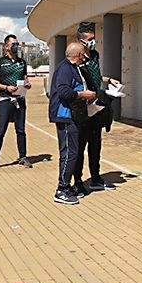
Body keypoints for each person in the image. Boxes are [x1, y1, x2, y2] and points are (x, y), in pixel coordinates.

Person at [72, 22, 122, 195]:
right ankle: (77, 182)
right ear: (81, 41)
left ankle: (95, 178)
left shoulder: (94, 55)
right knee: (79, 147)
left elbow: (96, 76)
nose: (93, 42)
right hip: (82, 109)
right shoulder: (76, 59)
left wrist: (109, 80)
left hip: (96, 108)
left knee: (96, 145)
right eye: (90, 39)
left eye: (94, 38)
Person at [49, 43, 96, 205]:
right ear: (77, 55)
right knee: (69, 152)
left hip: (75, 116)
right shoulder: (65, 69)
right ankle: (61, 189)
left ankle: (69, 186)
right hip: (65, 116)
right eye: (83, 54)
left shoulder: (75, 68)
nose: (85, 57)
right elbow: (63, 91)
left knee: (73, 152)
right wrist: (83, 94)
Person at [0, 35, 32, 169]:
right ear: (6, 46)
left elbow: (25, 79)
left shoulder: (22, 62)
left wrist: (27, 85)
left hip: (20, 99)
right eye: (13, 44)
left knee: (21, 130)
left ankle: (23, 157)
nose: (16, 46)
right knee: (1, 129)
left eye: (17, 44)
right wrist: (6, 88)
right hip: (5, 99)